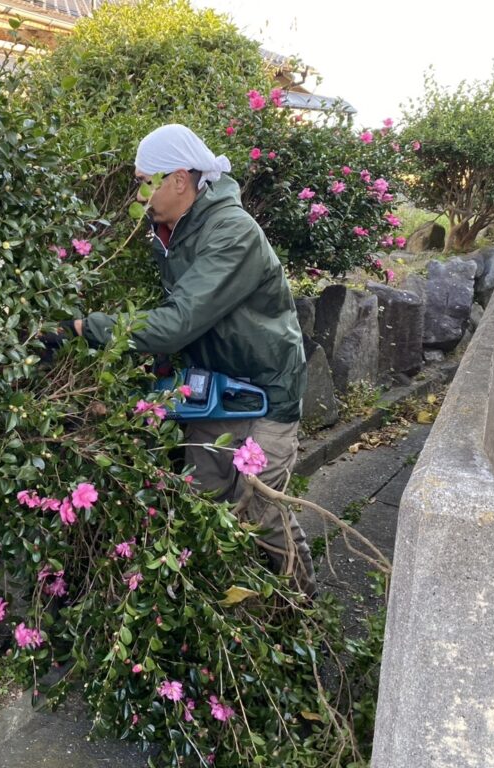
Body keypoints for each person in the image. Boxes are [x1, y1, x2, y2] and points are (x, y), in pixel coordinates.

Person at [67, 124, 315, 596]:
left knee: (261, 513)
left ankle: (302, 608)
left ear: (179, 179)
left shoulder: (232, 232)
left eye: (145, 182)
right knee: (203, 503)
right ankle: (231, 609)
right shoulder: (172, 228)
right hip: (211, 391)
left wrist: (84, 328)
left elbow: (178, 321)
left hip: (263, 394)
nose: (137, 195)